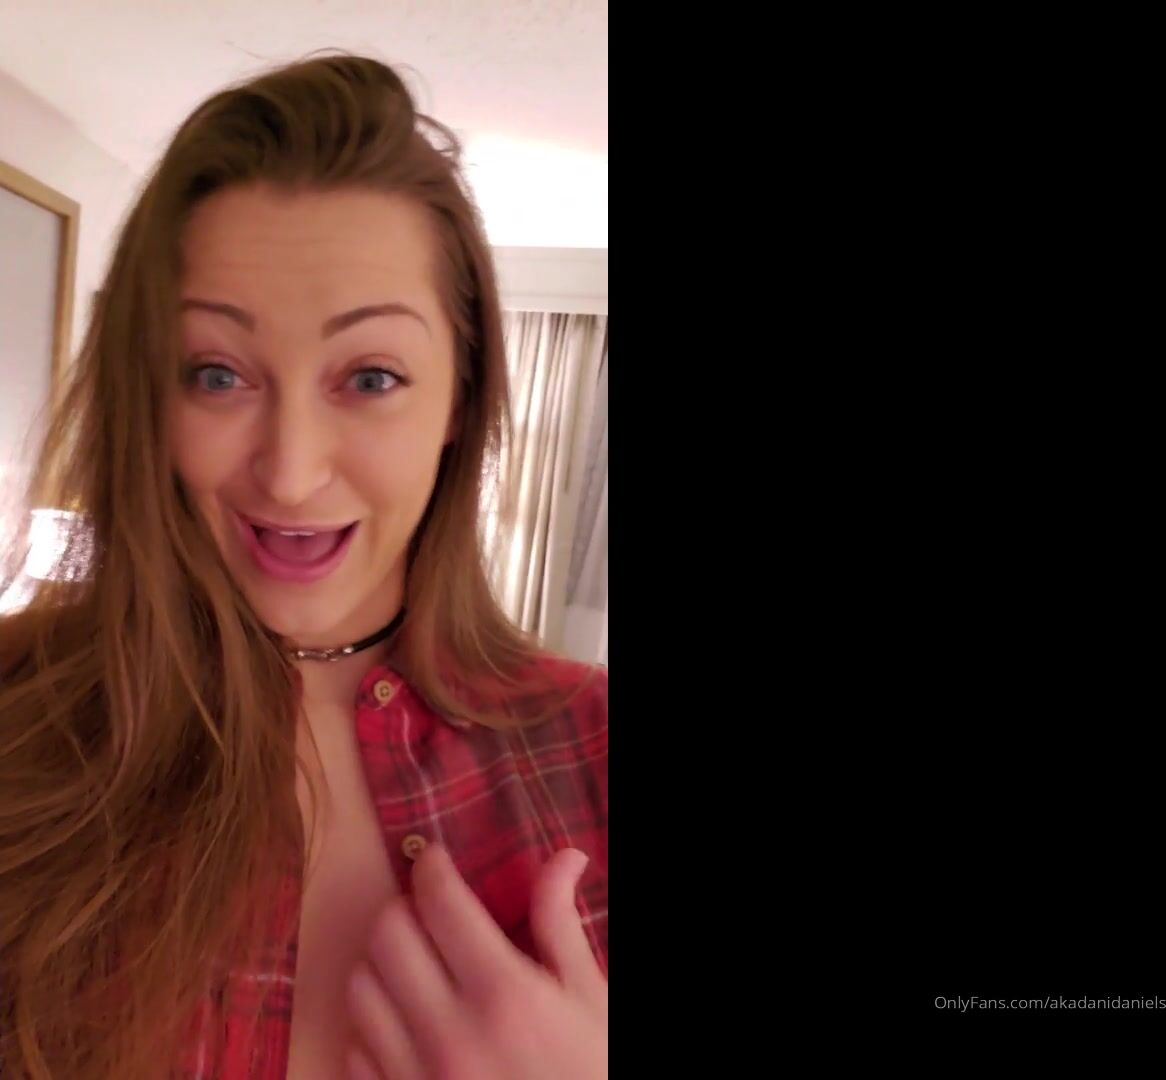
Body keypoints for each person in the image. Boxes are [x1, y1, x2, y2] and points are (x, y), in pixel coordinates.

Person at [0, 52, 608, 1080]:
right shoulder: (17, 711)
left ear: (459, 399)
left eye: (369, 377)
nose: (289, 474)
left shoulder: (594, 748)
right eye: (217, 373)